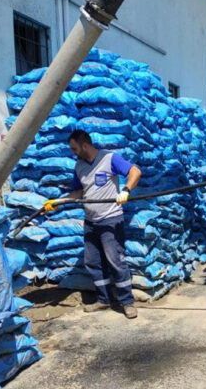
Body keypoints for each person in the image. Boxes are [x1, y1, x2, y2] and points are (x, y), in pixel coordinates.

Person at [43, 130, 142, 319]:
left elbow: (135, 171)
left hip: (111, 219)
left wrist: (126, 190)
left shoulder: (109, 158)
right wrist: (58, 202)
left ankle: (127, 302)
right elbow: (78, 192)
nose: (72, 152)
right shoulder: (79, 166)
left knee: (116, 262)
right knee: (93, 262)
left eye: (74, 148)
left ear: (85, 145)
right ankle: (104, 300)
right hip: (90, 222)